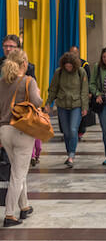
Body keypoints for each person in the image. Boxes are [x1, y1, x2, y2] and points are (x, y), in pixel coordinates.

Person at [0, 49, 42, 227]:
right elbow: (37, 102)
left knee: (19, 170)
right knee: (17, 175)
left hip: (5, 130)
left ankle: (24, 206)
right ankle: (9, 215)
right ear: (24, 64)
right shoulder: (28, 81)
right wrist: (38, 93)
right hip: (22, 130)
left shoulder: (2, 82)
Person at [46, 52, 89, 168]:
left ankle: (71, 155)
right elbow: (53, 89)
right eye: (66, 65)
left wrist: (85, 107)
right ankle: (69, 151)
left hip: (76, 104)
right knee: (66, 131)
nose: (68, 67)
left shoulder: (81, 72)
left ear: (74, 64)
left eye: (70, 65)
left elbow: (84, 91)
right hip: (62, 104)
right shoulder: (59, 72)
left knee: (73, 129)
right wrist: (48, 103)